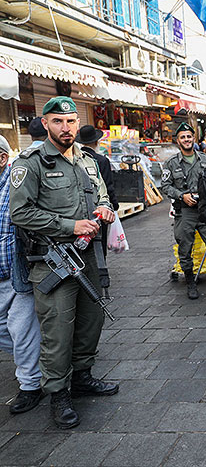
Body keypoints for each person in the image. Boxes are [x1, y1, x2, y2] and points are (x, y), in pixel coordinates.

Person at [10, 96, 119, 429]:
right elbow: (20, 213)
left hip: (88, 255)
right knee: (58, 330)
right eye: (58, 121)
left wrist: (105, 210)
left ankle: (83, 377)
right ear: (45, 124)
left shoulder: (87, 160)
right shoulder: (30, 164)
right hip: (52, 260)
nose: (66, 127)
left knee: (91, 321)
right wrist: (71, 226)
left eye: (71, 121)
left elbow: (101, 195)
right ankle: (58, 394)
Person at [0, 135, 43, 415]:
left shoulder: (17, 180)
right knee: (9, 331)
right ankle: (40, 361)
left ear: (2, 158)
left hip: (18, 269)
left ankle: (31, 385)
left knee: (21, 328)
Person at [161, 122, 206, 300]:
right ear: (178, 140)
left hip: (205, 212)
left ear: (194, 138)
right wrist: (181, 195)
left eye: (189, 136)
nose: (186, 140)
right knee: (185, 248)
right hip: (185, 212)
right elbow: (165, 186)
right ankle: (191, 283)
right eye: (183, 137)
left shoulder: (205, 159)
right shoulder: (171, 163)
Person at [77, 125, 119, 259]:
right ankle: (100, 269)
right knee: (99, 242)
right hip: (99, 210)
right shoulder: (101, 160)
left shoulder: (75, 159)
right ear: (96, 142)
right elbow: (107, 186)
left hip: (80, 210)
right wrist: (114, 205)